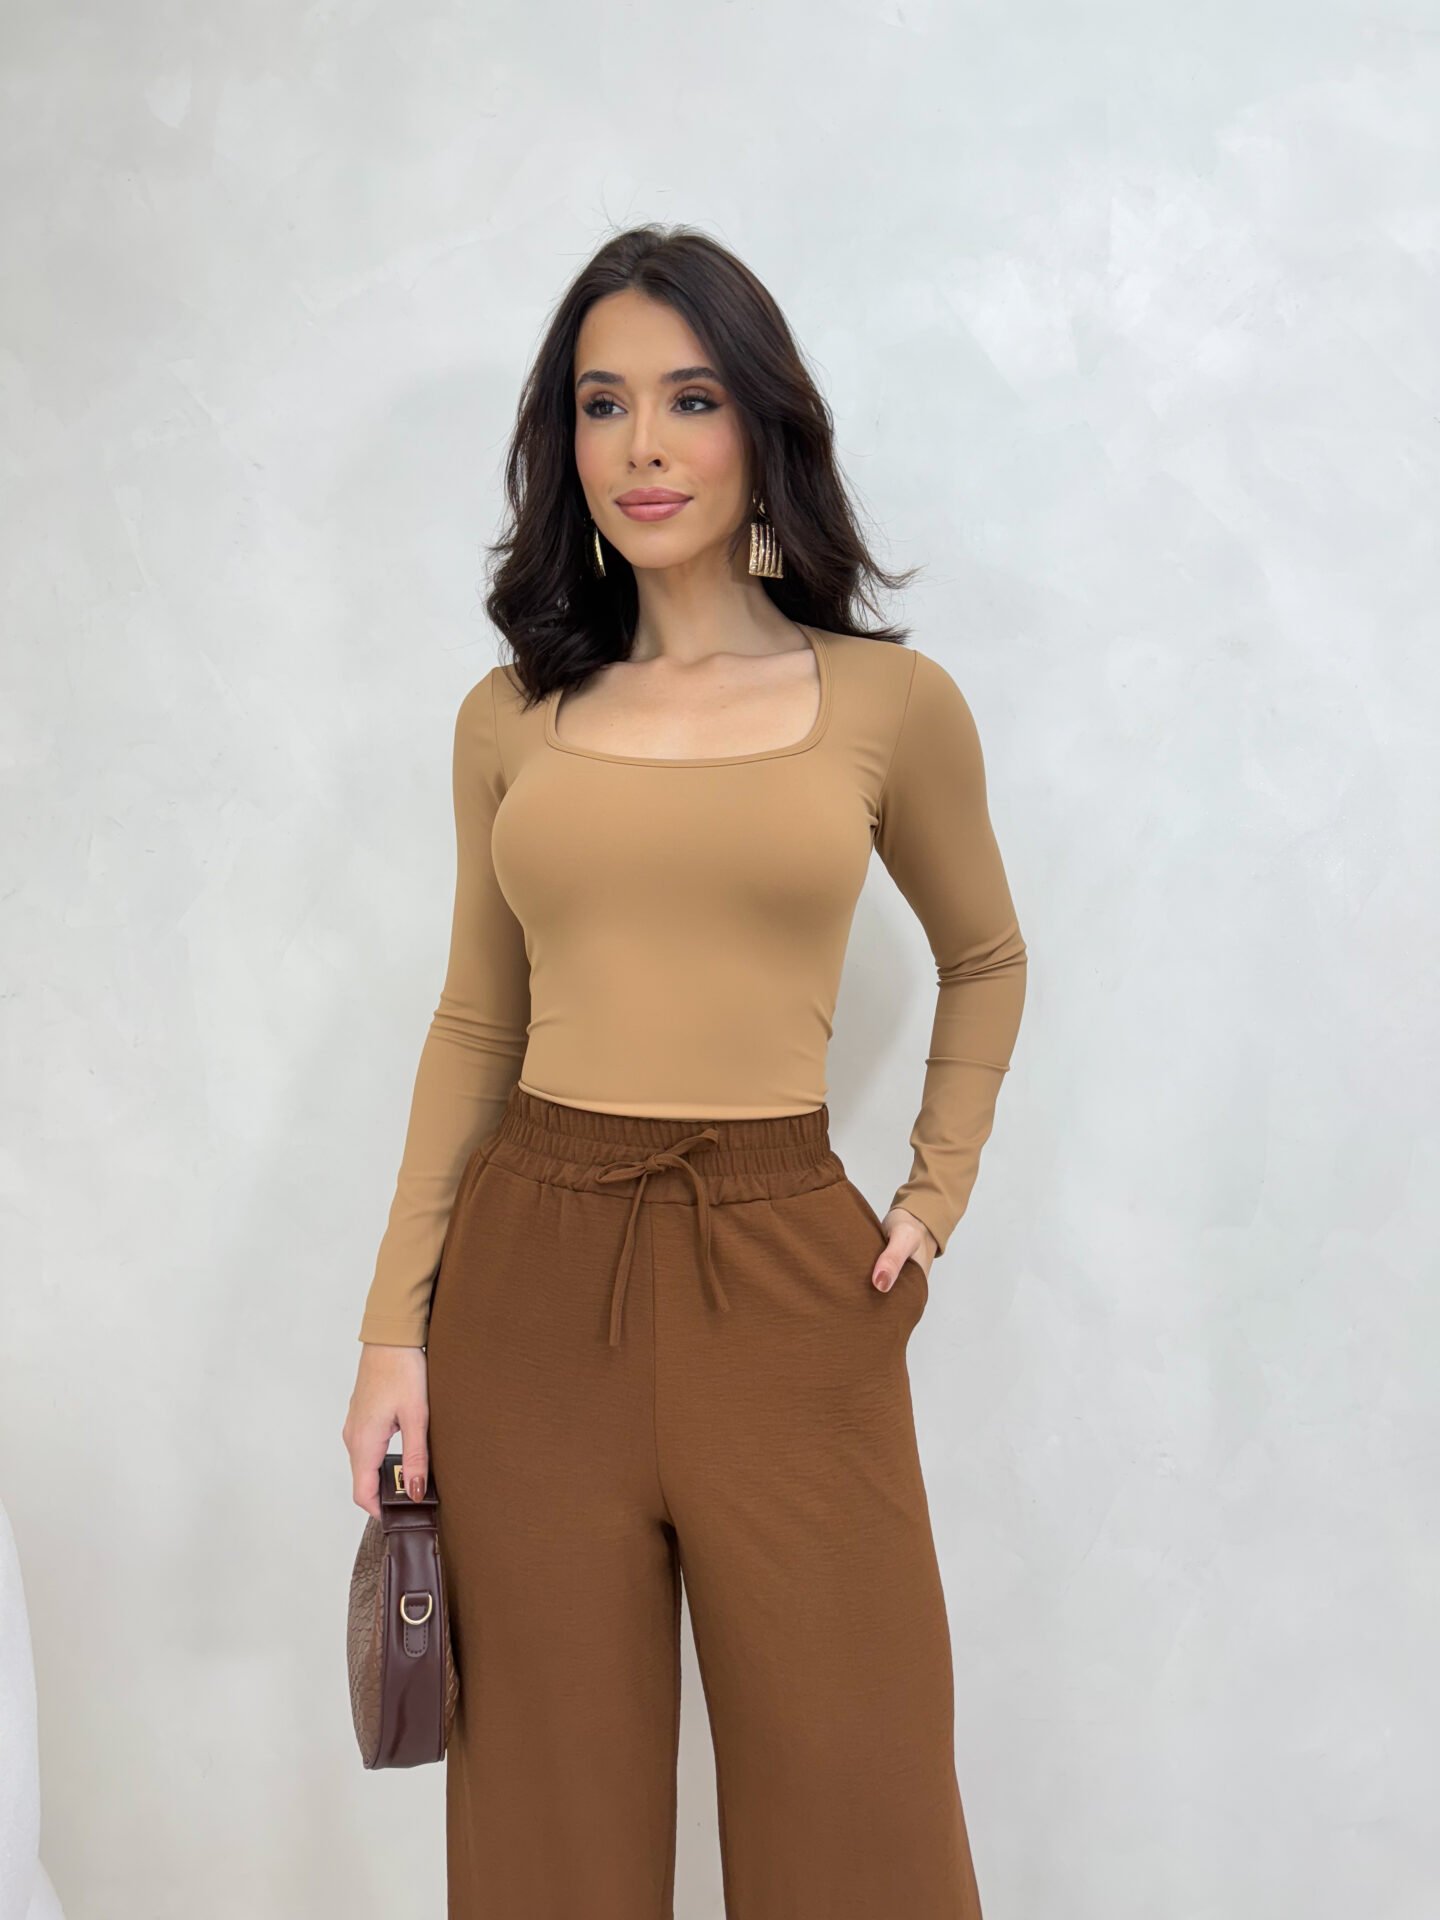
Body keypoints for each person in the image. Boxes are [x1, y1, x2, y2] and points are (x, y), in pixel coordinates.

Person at [341, 222, 1027, 1920]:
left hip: (789, 1273)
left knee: (861, 1812)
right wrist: (391, 1332)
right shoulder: (510, 716)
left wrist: (932, 1195)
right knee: (548, 1833)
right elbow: (476, 1022)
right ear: (564, 442)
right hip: (531, 1280)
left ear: (762, 426)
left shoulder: (888, 701)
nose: (643, 445)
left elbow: (987, 956)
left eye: (691, 397)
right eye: (603, 403)